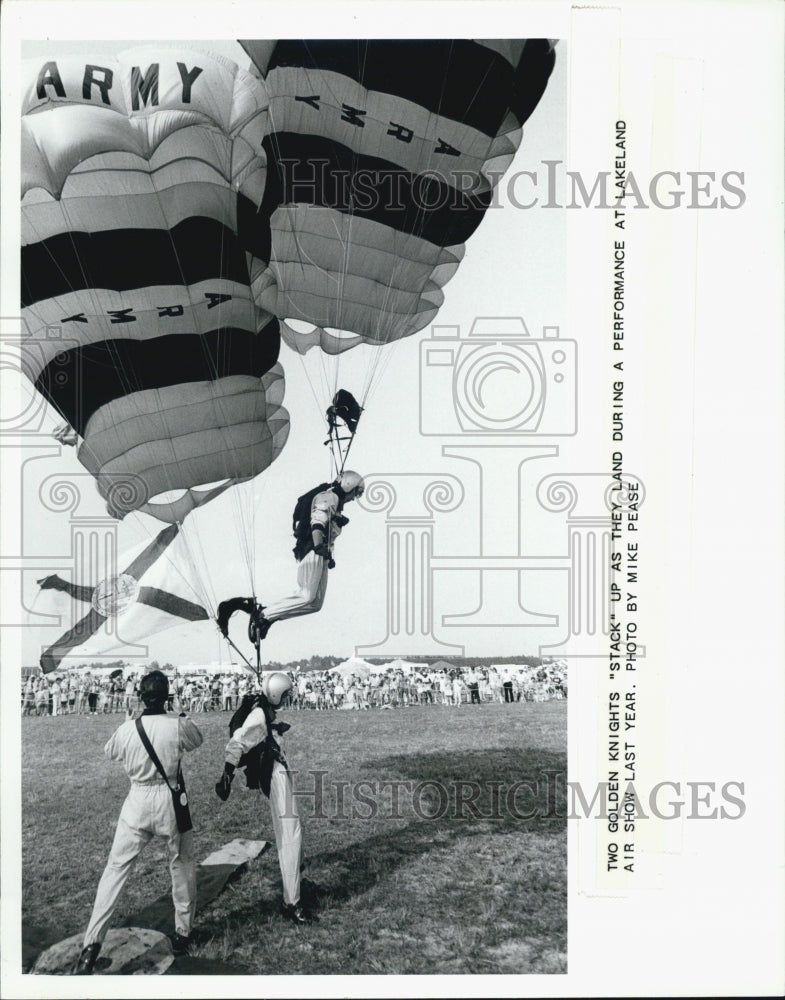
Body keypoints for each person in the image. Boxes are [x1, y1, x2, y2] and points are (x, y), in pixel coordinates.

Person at [73, 671, 203, 974]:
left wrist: (131, 721)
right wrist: (179, 711)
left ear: (141, 697)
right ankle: (183, 932)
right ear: (167, 697)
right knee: (182, 864)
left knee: (116, 870)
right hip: (169, 797)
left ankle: (91, 945)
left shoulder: (128, 728)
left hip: (137, 799)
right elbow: (197, 739)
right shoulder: (177, 724)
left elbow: (110, 752)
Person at [214, 671, 315, 925]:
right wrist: (227, 773)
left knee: (295, 831)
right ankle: (292, 902)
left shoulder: (263, 709)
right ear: (276, 693)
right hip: (273, 775)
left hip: (278, 770)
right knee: (290, 835)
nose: (288, 698)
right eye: (286, 694)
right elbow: (239, 742)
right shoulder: (259, 714)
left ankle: (296, 882)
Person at [217, 472, 365, 644]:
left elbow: (328, 531)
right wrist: (318, 547)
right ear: (348, 486)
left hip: (320, 553)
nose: (354, 498)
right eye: (355, 493)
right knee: (306, 596)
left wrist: (328, 555)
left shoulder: (335, 502)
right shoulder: (329, 497)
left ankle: (269, 616)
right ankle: (263, 615)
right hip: (312, 550)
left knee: (315, 604)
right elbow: (318, 522)